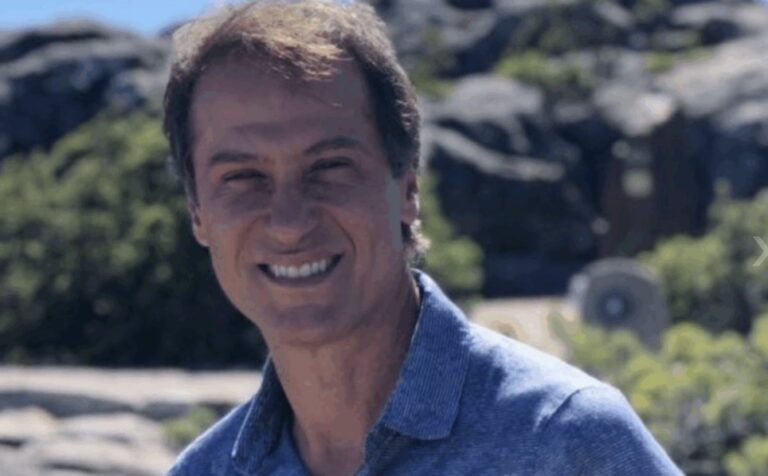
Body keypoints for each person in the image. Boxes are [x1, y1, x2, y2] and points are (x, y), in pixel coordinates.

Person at [163, 1, 682, 474]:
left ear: (408, 189)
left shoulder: (566, 440)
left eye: (330, 167)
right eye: (242, 178)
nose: (289, 222)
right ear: (198, 213)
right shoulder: (204, 471)